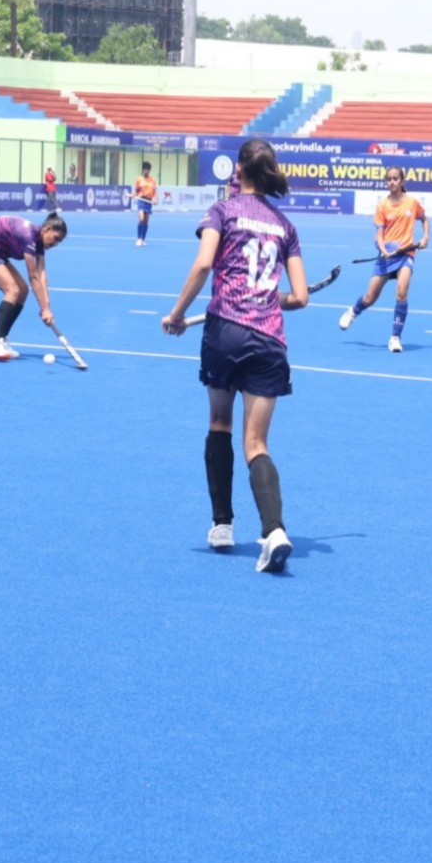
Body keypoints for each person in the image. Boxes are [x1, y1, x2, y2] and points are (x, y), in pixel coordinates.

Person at [160, 138, 309, 574]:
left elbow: (205, 264)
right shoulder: (286, 226)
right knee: (257, 443)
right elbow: (299, 297)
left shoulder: (222, 211)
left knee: (219, 424)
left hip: (223, 331)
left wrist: (177, 314)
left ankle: (222, 524)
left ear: (238, 170)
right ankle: (276, 530)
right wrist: (268, 296)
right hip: (268, 341)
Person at [338, 167, 429, 353]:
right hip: (387, 255)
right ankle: (353, 311)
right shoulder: (382, 206)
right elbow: (379, 235)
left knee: (402, 291)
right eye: (389, 179)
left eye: (396, 179)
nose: (392, 182)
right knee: (370, 298)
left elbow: (424, 219)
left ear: (402, 181)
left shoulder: (412, 203)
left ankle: (395, 337)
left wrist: (426, 236)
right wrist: (382, 249)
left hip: (406, 254)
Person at [0, 213, 67, 361]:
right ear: (47, 229)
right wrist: (44, 309)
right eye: (56, 238)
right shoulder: (28, 236)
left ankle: (0, 337)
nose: (55, 244)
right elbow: (33, 276)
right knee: (12, 289)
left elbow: (42, 275)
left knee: (23, 290)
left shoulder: (39, 242)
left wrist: (46, 306)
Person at [133, 161, 157, 245]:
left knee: (146, 222)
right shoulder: (139, 180)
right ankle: (138, 238)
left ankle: (143, 239)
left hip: (149, 202)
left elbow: (154, 192)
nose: (146, 171)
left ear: (149, 170)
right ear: (142, 170)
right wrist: (132, 195)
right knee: (141, 219)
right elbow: (136, 192)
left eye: (148, 169)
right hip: (141, 201)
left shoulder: (153, 180)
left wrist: (155, 199)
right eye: (145, 169)